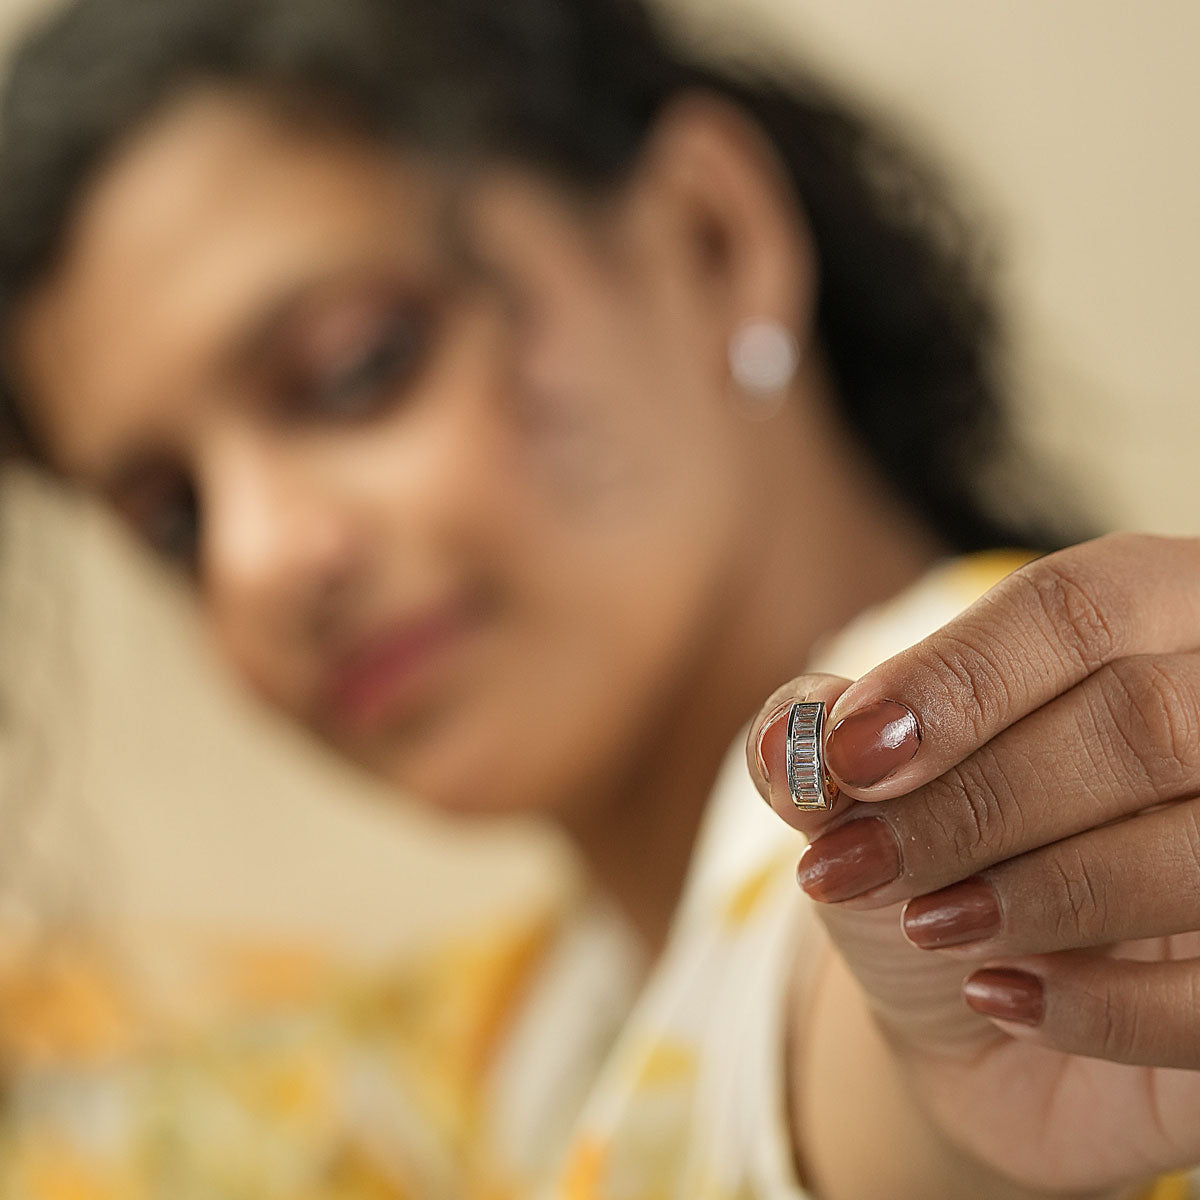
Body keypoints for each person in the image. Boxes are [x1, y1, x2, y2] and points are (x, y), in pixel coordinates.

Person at [0, 0, 1197, 1196]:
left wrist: (944, 1095)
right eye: (173, 518)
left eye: (358, 367)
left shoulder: (1075, 784)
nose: (254, 561)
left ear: (709, 237)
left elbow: (870, 1027)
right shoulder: (507, 1029)